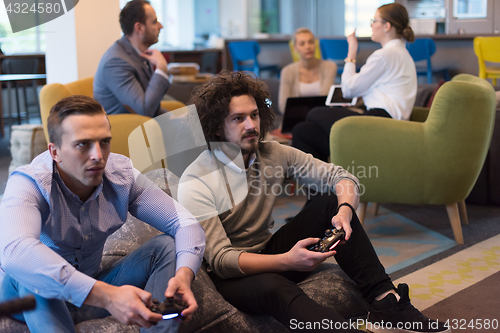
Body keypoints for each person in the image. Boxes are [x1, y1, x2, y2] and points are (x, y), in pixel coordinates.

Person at [177, 71, 449, 333]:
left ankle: (386, 301)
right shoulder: (196, 180)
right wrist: (286, 261)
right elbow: (222, 260)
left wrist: (344, 212)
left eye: (254, 114)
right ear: (215, 127)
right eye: (238, 119)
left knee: (330, 202)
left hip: (266, 250)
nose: (251, 125)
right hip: (229, 277)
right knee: (274, 287)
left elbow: (341, 177)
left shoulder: (273, 153)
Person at [0, 95, 206, 333]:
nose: (98, 155)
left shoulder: (122, 175)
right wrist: (108, 296)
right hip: (30, 298)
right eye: (83, 144)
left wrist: (184, 275)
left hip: (92, 289)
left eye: (104, 142)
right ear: (54, 152)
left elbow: (185, 223)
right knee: (29, 269)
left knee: (166, 246)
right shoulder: (29, 182)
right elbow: (15, 251)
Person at [292, 3, 417, 162]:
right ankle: (324, 182)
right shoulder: (402, 54)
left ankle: (324, 181)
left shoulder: (384, 56)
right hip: (387, 123)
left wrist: (351, 51)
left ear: (386, 26)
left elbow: (348, 90)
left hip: (381, 123)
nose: (371, 25)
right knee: (302, 131)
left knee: (314, 113)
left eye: (374, 20)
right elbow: (381, 91)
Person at [94, 0, 171, 117]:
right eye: (154, 22)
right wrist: (161, 68)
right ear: (139, 28)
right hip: (127, 130)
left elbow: (153, 105)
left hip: (146, 125)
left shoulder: (139, 52)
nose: (161, 26)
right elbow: (144, 111)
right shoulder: (115, 62)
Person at [278, 28, 337, 114]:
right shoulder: (287, 71)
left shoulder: (330, 67)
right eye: (302, 44)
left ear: (315, 44)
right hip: (295, 117)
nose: (307, 47)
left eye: (311, 42)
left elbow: (325, 100)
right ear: (295, 48)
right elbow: (283, 105)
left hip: (322, 115)